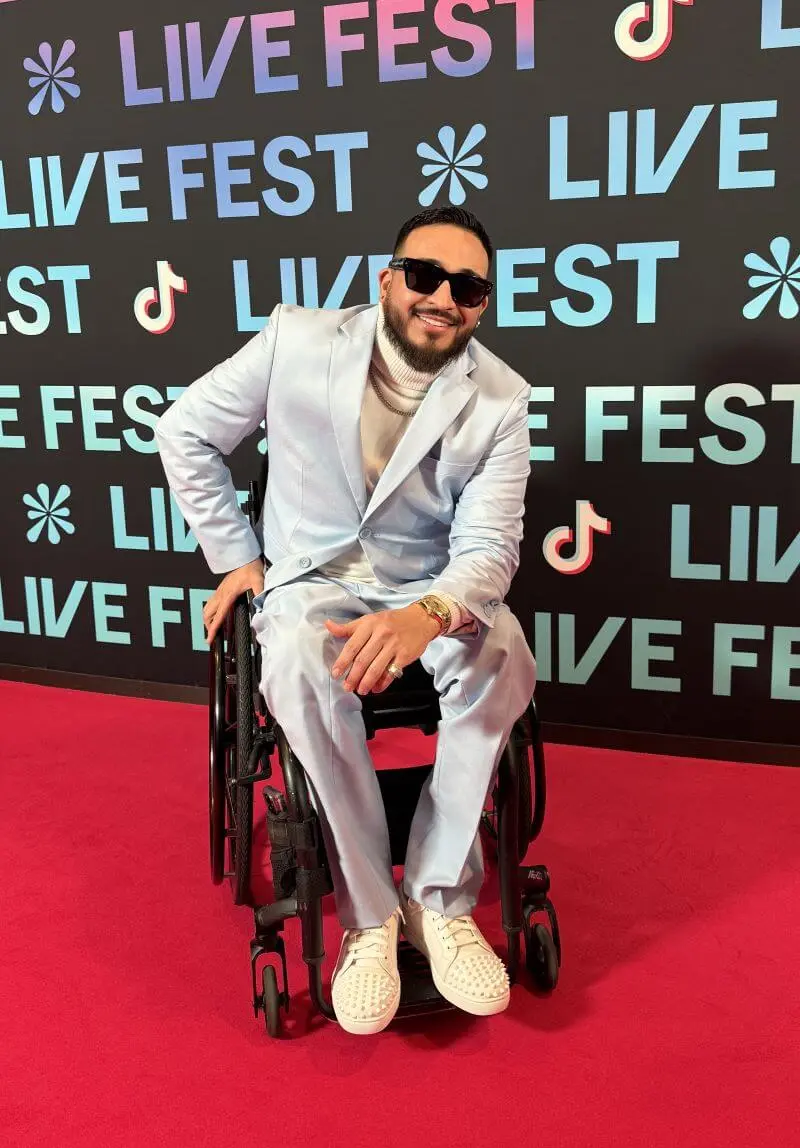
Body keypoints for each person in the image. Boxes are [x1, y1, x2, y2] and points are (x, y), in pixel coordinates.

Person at [156, 206, 536, 1036]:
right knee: (291, 652)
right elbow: (184, 431)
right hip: (313, 583)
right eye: (426, 276)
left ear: (481, 305)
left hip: (427, 588)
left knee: (503, 650)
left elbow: (490, 548)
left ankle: (438, 897)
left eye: (467, 288)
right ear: (389, 280)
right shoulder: (296, 340)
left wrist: (427, 614)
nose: (444, 297)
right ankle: (370, 916)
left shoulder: (502, 400)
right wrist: (236, 558)